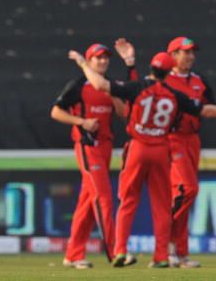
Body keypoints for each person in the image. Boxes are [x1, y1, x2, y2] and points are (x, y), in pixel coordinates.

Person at [68, 48, 216, 268]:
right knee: (162, 205)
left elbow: (100, 85)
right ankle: (161, 255)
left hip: (138, 147)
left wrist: (83, 64)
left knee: (128, 201)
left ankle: (120, 250)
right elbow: (205, 110)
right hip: (161, 149)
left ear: (152, 68)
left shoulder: (138, 87)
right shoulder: (174, 94)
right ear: (167, 72)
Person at [114, 36, 216, 268]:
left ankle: (178, 253)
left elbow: (208, 107)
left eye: (192, 52)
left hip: (191, 141)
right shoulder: (163, 81)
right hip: (169, 140)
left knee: (184, 195)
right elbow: (137, 97)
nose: (190, 56)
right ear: (172, 56)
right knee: (186, 190)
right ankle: (167, 248)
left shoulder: (199, 81)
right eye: (184, 52)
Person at [50, 43, 126, 269]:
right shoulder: (78, 85)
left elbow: (123, 113)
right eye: (98, 58)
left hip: (105, 147)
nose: (102, 62)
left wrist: (110, 92)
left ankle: (73, 254)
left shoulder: (109, 85)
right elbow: (55, 111)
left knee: (87, 203)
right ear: (90, 61)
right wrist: (82, 122)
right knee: (102, 197)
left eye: (105, 58)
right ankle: (115, 252)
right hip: (87, 145)